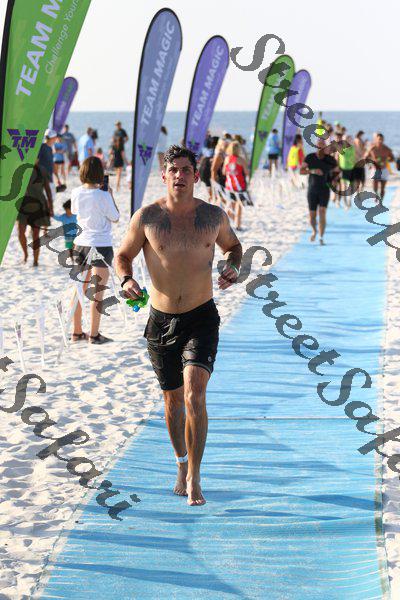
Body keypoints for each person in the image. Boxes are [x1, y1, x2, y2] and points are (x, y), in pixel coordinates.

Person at [115, 145, 242, 506]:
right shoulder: (147, 217)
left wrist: (234, 266)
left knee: (194, 393)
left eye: (186, 170)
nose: (180, 176)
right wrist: (126, 279)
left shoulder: (213, 216)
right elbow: (123, 255)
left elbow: (234, 246)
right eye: (173, 170)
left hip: (202, 317)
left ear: (196, 176)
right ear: (164, 175)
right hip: (160, 320)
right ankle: (181, 463)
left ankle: (195, 476)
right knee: (172, 402)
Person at [71, 156, 120, 344]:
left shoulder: (76, 192)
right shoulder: (103, 195)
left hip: (80, 243)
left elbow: (75, 211)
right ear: (100, 173)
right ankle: (93, 334)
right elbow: (115, 217)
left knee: (79, 290)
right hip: (100, 244)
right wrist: (111, 195)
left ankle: (76, 332)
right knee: (97, 293)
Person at [300, 138, 340, 245]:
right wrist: (312, 171)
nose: (320, 146)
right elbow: (301, 171)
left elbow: (338, 170)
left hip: (324, 190)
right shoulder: (310, 157)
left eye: (322, 144)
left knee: (322, 212)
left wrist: (333, 180)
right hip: (312, 190)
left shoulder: (330, 159)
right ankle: (314, 231)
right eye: (319, 144)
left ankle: (321, 237)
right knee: (312, 216)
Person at [17, 159, 53, 266]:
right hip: (23, 204)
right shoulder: (21, 168)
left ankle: (35, 261)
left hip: (38, 205)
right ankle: (25, 255)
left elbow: (47, 189)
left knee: (36, 234)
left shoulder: (42, 170)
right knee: (20, 232)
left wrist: (51, 206)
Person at [223, 141, 249, 230]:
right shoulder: (240, 160)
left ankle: (227, 224)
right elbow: (247, 172)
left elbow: (224, 172)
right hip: (239, 186)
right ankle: (238, 225)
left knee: (231, 205)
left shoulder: (227, 159)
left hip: (229, 185)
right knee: (239, 205)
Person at [365, 133, 394, 200]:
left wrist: (386, 160)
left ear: (383, 140)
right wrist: (370, 164)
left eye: (382, 139)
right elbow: (365, 158)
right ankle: (376, 195)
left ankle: (381, 201)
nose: (380, 140)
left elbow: (392, 159)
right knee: (374, 187)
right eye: (379, 139)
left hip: (384, 169)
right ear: (376, 139)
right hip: (375, 169)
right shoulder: (372, 149)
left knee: (382, 188)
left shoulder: (386, 149)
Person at [338, 135, 356, 207]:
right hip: (343, 169)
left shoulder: (352, 148)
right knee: (343, 187)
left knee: (351, 186)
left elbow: (352, 158)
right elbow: (338, 157)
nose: (347, 141)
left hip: (351, 168)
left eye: (349, 139)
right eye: (346, 140)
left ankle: (349, 200)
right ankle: (345, 203)